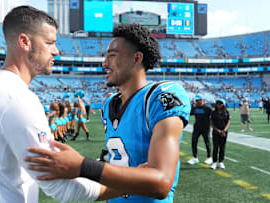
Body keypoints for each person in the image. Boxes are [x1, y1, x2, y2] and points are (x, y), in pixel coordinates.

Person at [0, 6, 114, 203]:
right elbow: (60, 188)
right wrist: (129, 185)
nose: (56, 51)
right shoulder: (16, 97)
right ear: (24, 42)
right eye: (49, 43)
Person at [25, 23, 191, 202]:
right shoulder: (109, 104)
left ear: (136, 59)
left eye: (112, 56)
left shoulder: (161, 96)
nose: (104, 63)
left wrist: (83, 166)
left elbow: (162, 182)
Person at [187, 94, 213, 165]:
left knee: (207, 142)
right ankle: (195, 157)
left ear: (202, 100)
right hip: (197, 127)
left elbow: (213, 116)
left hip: (206, 128)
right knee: (194, 142)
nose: (198, 101)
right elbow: (189, 113)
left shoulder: (208, 108)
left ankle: (209, 157)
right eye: (196, 100)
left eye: (199, 100)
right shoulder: (195, 108)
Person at [210, 99, 230, 170]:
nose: (219, 105)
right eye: (218, 103)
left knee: (222, 146)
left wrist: (224, 130)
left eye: (220, 103)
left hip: (224, 132)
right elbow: (211, 123)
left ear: (223, 104)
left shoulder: (226, 112)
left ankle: (221, 161)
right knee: (215, 147)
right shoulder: (214, 113)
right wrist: (218, 130)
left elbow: (228, 122)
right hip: (216, 132)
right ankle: (214, 162)